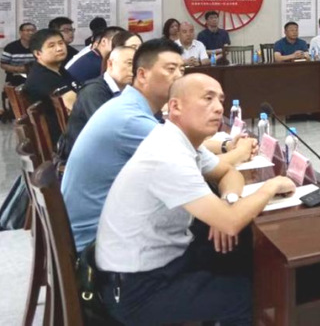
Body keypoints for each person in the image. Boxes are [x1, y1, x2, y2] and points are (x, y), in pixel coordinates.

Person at [95, 73, 295, 326]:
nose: (218, 107)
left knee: (241, 254)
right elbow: (230, 223)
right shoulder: (168, 154)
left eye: (220, 100)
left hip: (160, 259)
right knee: (256, 296)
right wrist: (271, 186)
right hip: (137, 289)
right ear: (175, 106)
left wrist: (228, 200)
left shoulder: (181, 141)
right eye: (207, 98)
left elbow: (228, 173)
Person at [62, 39, 184, 250]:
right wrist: (234, 150)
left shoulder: (126, 102)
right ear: (142, 74)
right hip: (99, 243)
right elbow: (188, 161)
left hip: (104, 226)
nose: (179, 77)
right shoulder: (127, 117)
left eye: (182, 69)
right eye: (171, 69)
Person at [59, 45, 135, 161]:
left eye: (136, 65)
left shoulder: (127, 90)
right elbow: (107, 131)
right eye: (129, 63)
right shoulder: (93, 91)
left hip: (105, 151)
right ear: (110, 64)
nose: (133, 69)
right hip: (83, 157)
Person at [22, 28, 79, 141]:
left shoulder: (57, 69)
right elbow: (77, 106)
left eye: (61, 43)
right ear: (38, 53)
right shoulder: (42, 77)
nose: (59, 48)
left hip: (70, 129)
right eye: (51, 46)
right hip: (64, 138)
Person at [0, 22, 36, 87]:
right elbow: (3, 64)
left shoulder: (40, 46)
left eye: (33, 30)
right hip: (14, 79)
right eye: (27, 30)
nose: (30, 33)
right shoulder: (11, 47)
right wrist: (17, 69)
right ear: (20, 32)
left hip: (35, 79)